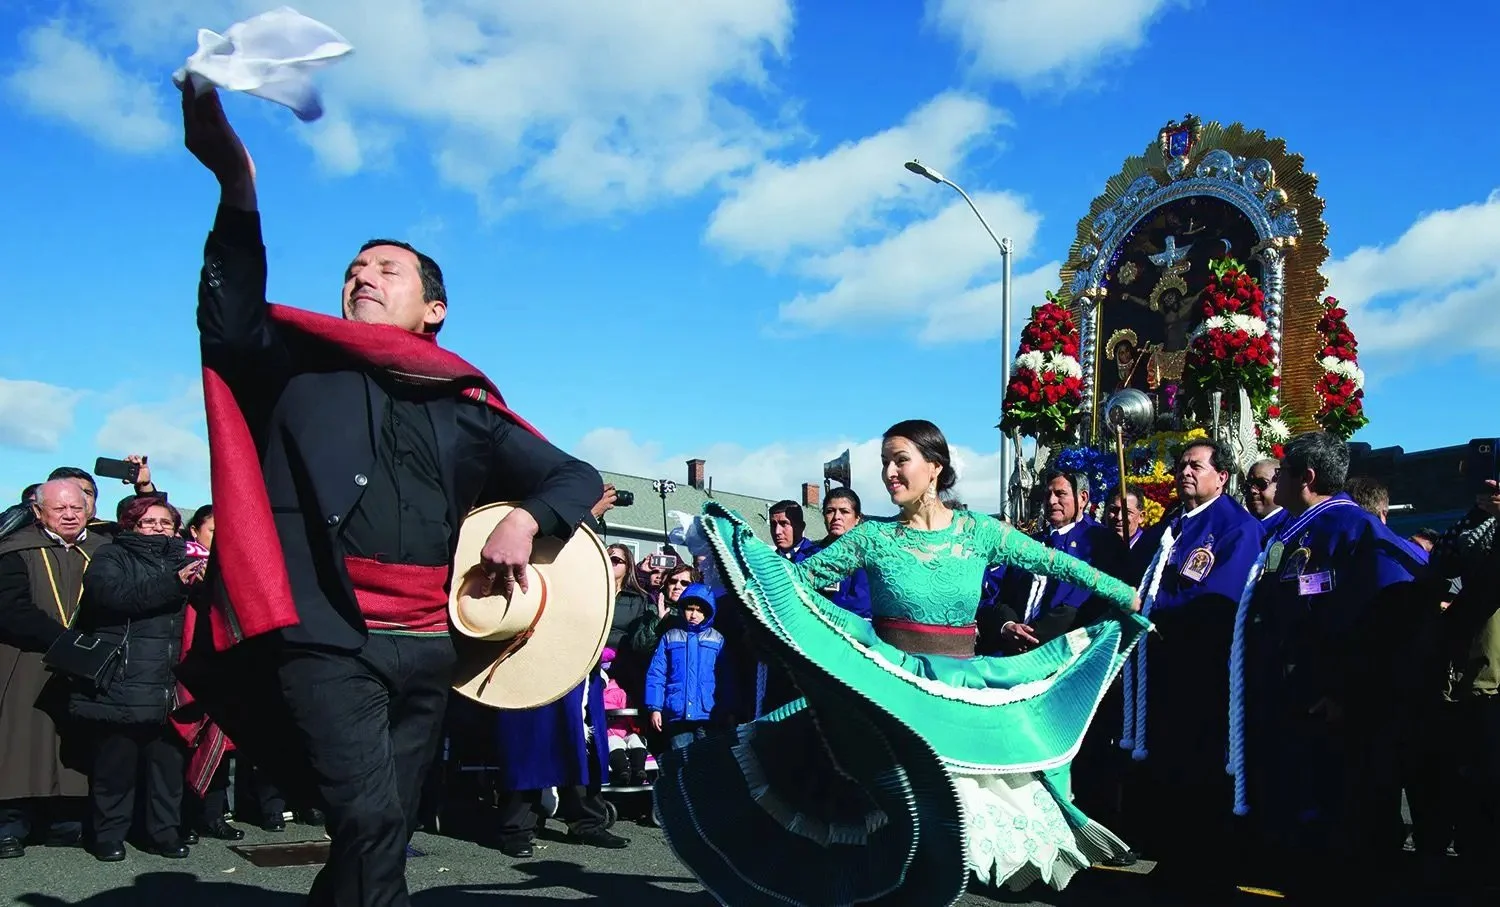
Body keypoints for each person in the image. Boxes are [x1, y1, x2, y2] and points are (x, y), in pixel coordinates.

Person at [175, 83, 603, 907]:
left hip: (431, 644)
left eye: (385, 268)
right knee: (370, 818)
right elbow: (227, 320)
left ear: (434, 309)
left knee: (387, 826)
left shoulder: (468, 406)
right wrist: (237, 187)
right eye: (353, 269)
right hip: (324, 635)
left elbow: (575, 476)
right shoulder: (293, 366)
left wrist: (525, 516)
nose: (362, 276)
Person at [655, 420, 1146, 904]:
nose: (889, 473)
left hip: (957, 700)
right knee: (879, 826)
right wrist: (739, 559)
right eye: (884, 463)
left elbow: (1057, 563)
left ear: (935, 467)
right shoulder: (872, 537)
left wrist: (1124, 593)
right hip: (885, 697)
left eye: (900, 460)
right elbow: (794, 582)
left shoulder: (979, 532)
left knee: (944, 837)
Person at [1237, 432, 1426, 898]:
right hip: (1292, 699)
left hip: (1332, 709)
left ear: (1306, 477)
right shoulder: (1293, 530)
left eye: (1282, 473)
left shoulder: (1354, 529)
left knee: (1340, 828)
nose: (1274, 482)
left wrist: (1345, 691)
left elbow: (1389, 616)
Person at [68, 497, 205, 862]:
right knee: (115, 767)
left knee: (167, 768)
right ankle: (108, 835)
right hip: (124, 678)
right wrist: (174, 582)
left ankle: (164, 833)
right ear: (130, 525)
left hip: (172, 680)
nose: (159, 527)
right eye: (149, 522)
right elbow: (111, 596)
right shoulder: (111, 555)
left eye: (166, 522)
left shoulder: (189, 558)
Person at [0, 480, 101, 860]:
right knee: (19, 742)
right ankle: (11, 826)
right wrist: (63, 639)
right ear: (38, 511)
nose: (70, 515)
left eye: (76, 508)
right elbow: (10, 609)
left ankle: (66, 823)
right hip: (26, 659)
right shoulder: (15, 549)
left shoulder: (103, 551)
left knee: (73, 745)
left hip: (87, 661)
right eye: (60, 509)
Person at [645, 584, 734, 749]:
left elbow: (726, 678)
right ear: (682, 609)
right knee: (681, 758)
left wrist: (728, 709)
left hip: (709, 713)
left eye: (700, 610)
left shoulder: (717, 639)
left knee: (709, 759)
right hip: (677, 712)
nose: (694, 614)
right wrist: (655, 707)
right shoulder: (670, 636)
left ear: (709, 612)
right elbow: (657, 673)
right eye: (690, 609)